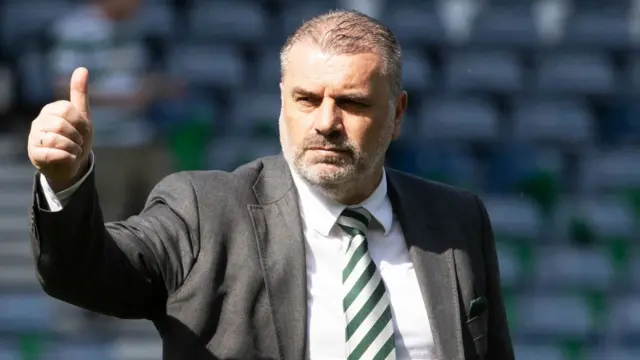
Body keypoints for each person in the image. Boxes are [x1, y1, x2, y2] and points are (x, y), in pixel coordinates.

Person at [27, 10, 514, 360]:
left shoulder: (458, 219)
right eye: (307, 99)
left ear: (398, 114)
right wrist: (65, 183)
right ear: (282, 103)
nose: (327, 122)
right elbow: (85, 273)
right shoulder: (204, 210)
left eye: (352, 102)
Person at [47, 0, 177, 222]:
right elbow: (64, 87)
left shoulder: (131, 27)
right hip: (100, 143)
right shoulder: (77, 30)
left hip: (141, 136)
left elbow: (125, 77)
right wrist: (127, 99)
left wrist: (155, 87)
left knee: (169, 208)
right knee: (107, 218)